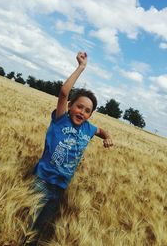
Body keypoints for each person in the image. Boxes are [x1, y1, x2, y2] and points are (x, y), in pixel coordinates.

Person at [24, 52, 113, 245]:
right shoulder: (60, 119)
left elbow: (101, 130)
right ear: (70, 106)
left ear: (90, 115)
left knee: (38, 229)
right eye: (79, 107)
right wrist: (81, 67)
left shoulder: (88, 128)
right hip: (42, 181)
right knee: (26, 224)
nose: (82, 112)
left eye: (87, 111)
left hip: (60, 187)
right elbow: (64, 92)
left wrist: (107, 136)